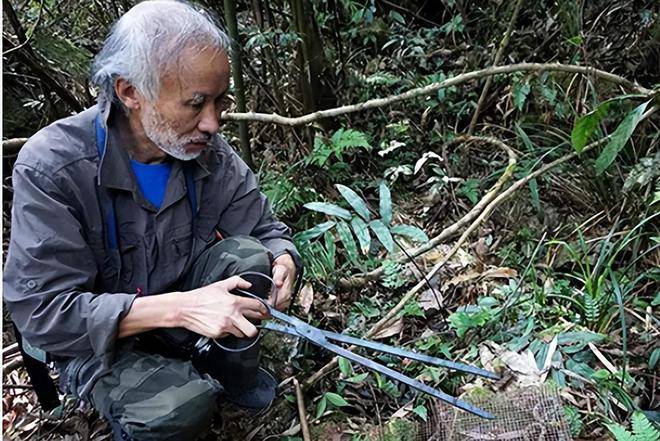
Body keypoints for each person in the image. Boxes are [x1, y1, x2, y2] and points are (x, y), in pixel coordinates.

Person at [3, 1, 301, 439]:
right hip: (99, 343)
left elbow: (264, 230)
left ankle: (227, 374)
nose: (213, 123)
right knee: (177, 409)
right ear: (130, 92)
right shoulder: (54, 168)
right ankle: (162, 400)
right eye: (196, 103)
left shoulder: (207, 154)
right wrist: (182, 308)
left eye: (221, 101)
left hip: (180, 314)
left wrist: (283, 259)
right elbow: (45, 313)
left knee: (251, 257)